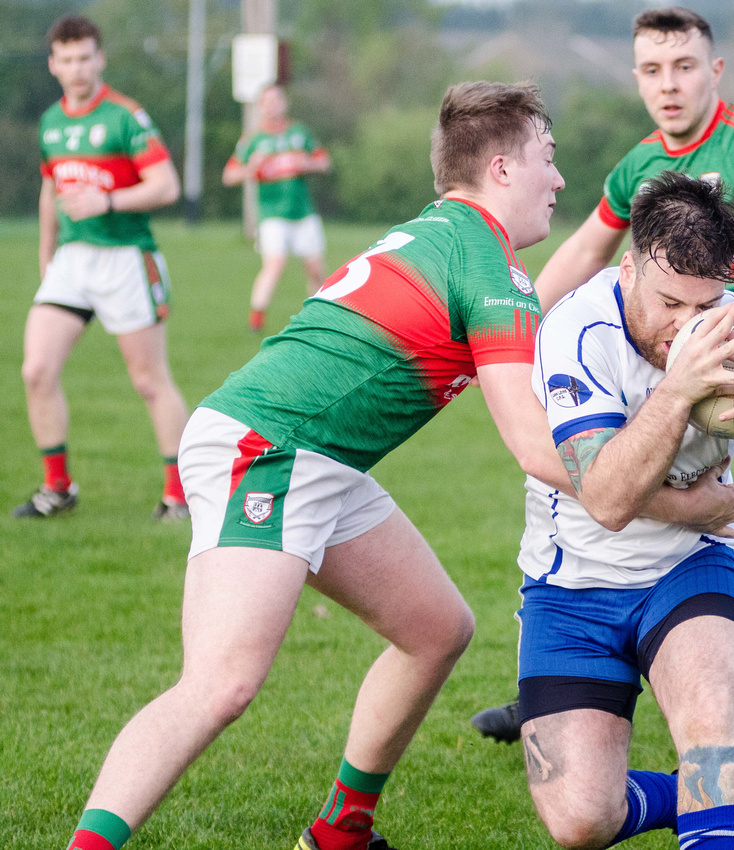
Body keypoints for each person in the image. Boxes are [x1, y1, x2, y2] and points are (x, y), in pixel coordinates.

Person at [59, 79, 578, 850]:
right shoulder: (483, 264)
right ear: (501, 169)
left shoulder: (445, 234)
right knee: (220, 684)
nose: (559, 179)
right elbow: (535, 446)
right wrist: (666, 485)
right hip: (270, 448)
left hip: (315, 458)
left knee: (436, 629)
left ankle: (341, 835)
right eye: (548, 156)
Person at [472, 5, 734, 748]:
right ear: (635, 78)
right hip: (659, 358)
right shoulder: (638, 165)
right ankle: (559, 689)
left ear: (712, 71)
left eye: (684, 67)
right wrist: (513, 339)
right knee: (574, 486)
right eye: (652, 70)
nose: (668, 84)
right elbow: (581, 255)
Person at [516, 171, 734, 849]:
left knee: (712, 733)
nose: (686, 328)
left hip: (690, 569)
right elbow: (606, 500)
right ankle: (705, 802)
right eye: (668, 303)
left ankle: (717, 793)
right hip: (571, 585)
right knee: (581, 821)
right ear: (629, 266)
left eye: (704, 305)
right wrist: (680, 390)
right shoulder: (577, 330)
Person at [14, 15, 190, 522]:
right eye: (66, 60)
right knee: (36, 370)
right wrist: (46, 254)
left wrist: (108, 199)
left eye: (85, 57)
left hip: (128, 260)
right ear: (53, 64)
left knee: (148, 380)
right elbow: (51, 189)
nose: (76, 68)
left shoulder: (125, 117)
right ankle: (57, 489)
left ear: (100, 59)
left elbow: (166, 186)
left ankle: (176, 497)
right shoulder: (51, 122)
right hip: (73, 262)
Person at [223, 84, 332, 332]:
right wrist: (251, 168)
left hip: (303, 211)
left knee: (316, 268)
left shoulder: (299, 132)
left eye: (277, 100)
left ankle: (318, 317)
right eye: (267, 101)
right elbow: (229, 175)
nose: (272, 106)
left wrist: (306, 163)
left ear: (285, 103)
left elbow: (323, 162)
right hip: (272, 213)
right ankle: (256, 318)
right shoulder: (253, 139)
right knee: (275, 263)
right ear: (261, 107)